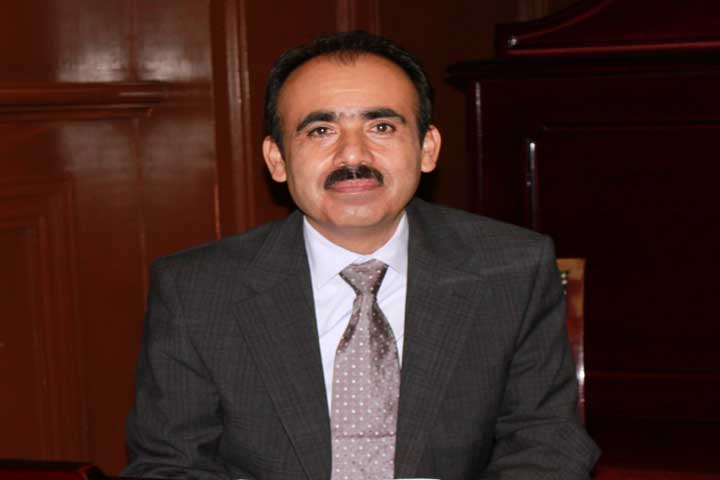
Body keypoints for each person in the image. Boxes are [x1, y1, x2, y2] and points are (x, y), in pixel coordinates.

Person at [124, 31, 599, 480]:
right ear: (277, 159)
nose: (353, 156)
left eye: (382, 126)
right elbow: (172, 466)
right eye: (321, 130)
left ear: (427, 148)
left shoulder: (511, 269)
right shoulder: (197, 291)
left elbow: (546, 444)